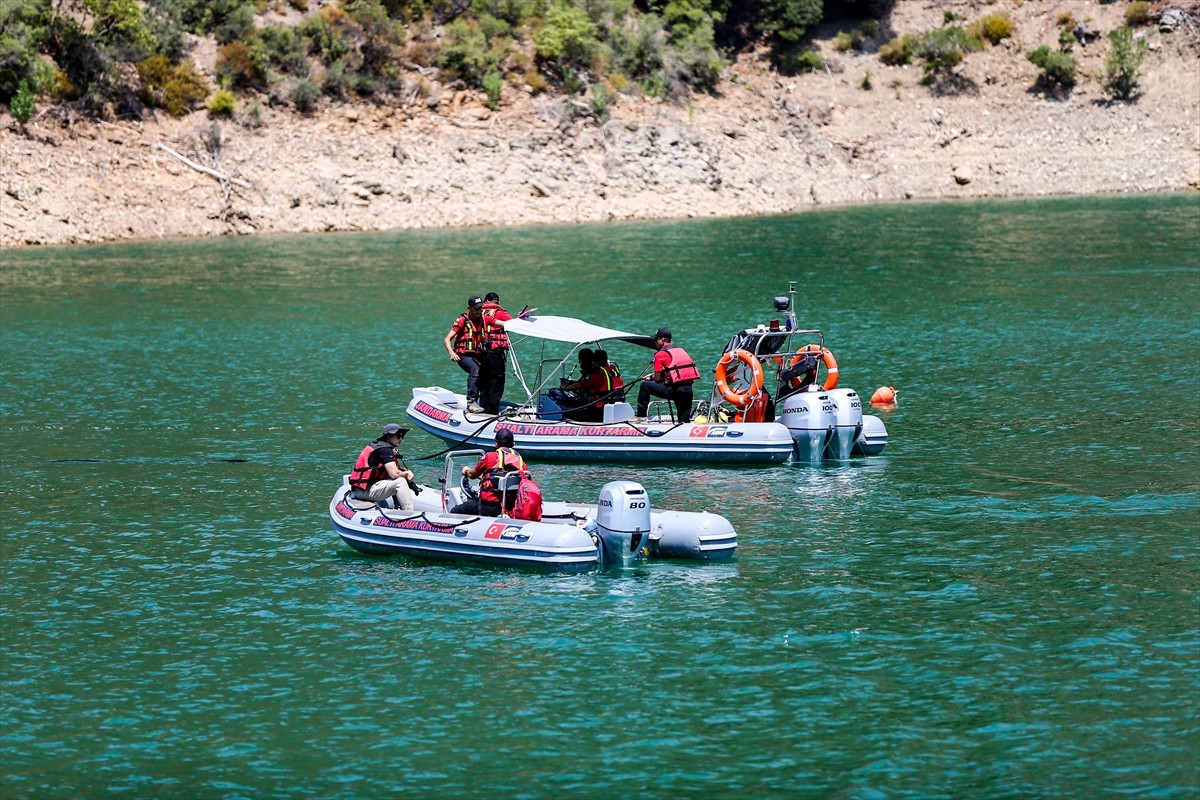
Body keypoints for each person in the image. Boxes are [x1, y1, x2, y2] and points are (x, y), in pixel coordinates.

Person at [450, 428, 528, 516]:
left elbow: (472, 475)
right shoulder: (521, 463)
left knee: (455, 511)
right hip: (510, 507)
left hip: (488, 507)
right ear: (513, 444)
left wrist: (466, 470)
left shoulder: (489, 457)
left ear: (496, 444)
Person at [636, 327, 701, 423]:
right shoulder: (680, 350)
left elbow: (658, 380)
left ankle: (640, 416)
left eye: (656, 340)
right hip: (688, 389)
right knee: (683, 420)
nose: (655, 342)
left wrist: (652, 377)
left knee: (644, 386)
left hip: (674, 390)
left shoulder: (660, 354)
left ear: (662, 340)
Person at [444, 295, 497, 414]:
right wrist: (452, 353)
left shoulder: (484, 318)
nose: (479, 311)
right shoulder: (462, 320)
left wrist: (519, 321)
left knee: (488, 374)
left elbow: (502, 323)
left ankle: (485, 403)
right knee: (475, 370)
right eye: (476, 308)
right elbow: (447, 339)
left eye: (480, 308)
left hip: (478, 356)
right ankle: (471, 403)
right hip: (463, 356)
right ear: (469, 308)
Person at [348, 423, 416, 510]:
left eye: (402, 436)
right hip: (363, 492)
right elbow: (394, 474)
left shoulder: (381, 446)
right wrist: (407, 474)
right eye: (398, 436)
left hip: (366, 488)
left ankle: (398, 507)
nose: (401, 439)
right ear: (388, 437)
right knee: (400, 482)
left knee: (400, 477)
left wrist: (404, 473)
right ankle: (409, 514)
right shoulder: (384, 450)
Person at [562, 348, 623, 422]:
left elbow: (580, 385)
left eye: (593, 361)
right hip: (617, 402)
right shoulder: (612, 370)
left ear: (597, 362)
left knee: (568, 412)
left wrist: (565, 387)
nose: (591, 363)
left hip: (599, 410)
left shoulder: (598, 375)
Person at [478, 291, 513, 414]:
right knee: (496, 380)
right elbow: (513, 324)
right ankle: (492, 410)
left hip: (480, 352)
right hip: (495, 352)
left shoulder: (478, 312)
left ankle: (483, 406)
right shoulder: (499, 313)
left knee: (484, 380)